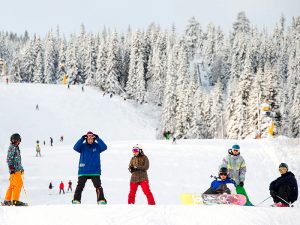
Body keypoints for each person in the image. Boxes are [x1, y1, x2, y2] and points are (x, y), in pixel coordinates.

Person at [72, 131, 108, 204]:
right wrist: (82, 139)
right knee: (80, 186)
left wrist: (98, 138)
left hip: (95, 171)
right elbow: (75, 147)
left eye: (91, 138)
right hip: (83, 170)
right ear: (86, 139)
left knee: (98, 186)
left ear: (93, 139)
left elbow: (104, 147)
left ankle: (101, 200)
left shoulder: (97, 146)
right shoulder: (82, 146)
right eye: (88, 139)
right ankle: (76, 200)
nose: (90, 140)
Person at [3, 133, 27, 206]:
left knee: (12, 185)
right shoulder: (12, 148)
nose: (19, 142)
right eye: (18, 140)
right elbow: (9, 159)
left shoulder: (15, 147)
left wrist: (21, 169)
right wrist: (11, 168)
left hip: (17, 170)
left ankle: (7, 200)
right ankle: (15, 200)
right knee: (19, 184)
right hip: (15, 171)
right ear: (15, 140)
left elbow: (18, 160)